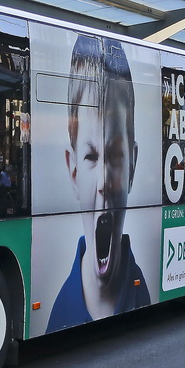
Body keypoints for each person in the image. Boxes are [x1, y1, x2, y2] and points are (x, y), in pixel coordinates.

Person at [47, 36, 149, 333]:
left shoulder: (144, 291)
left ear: (132, 166)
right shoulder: (57, 315)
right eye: (91, 156)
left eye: (116, 156)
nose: (104, 182)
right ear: (73, 171)